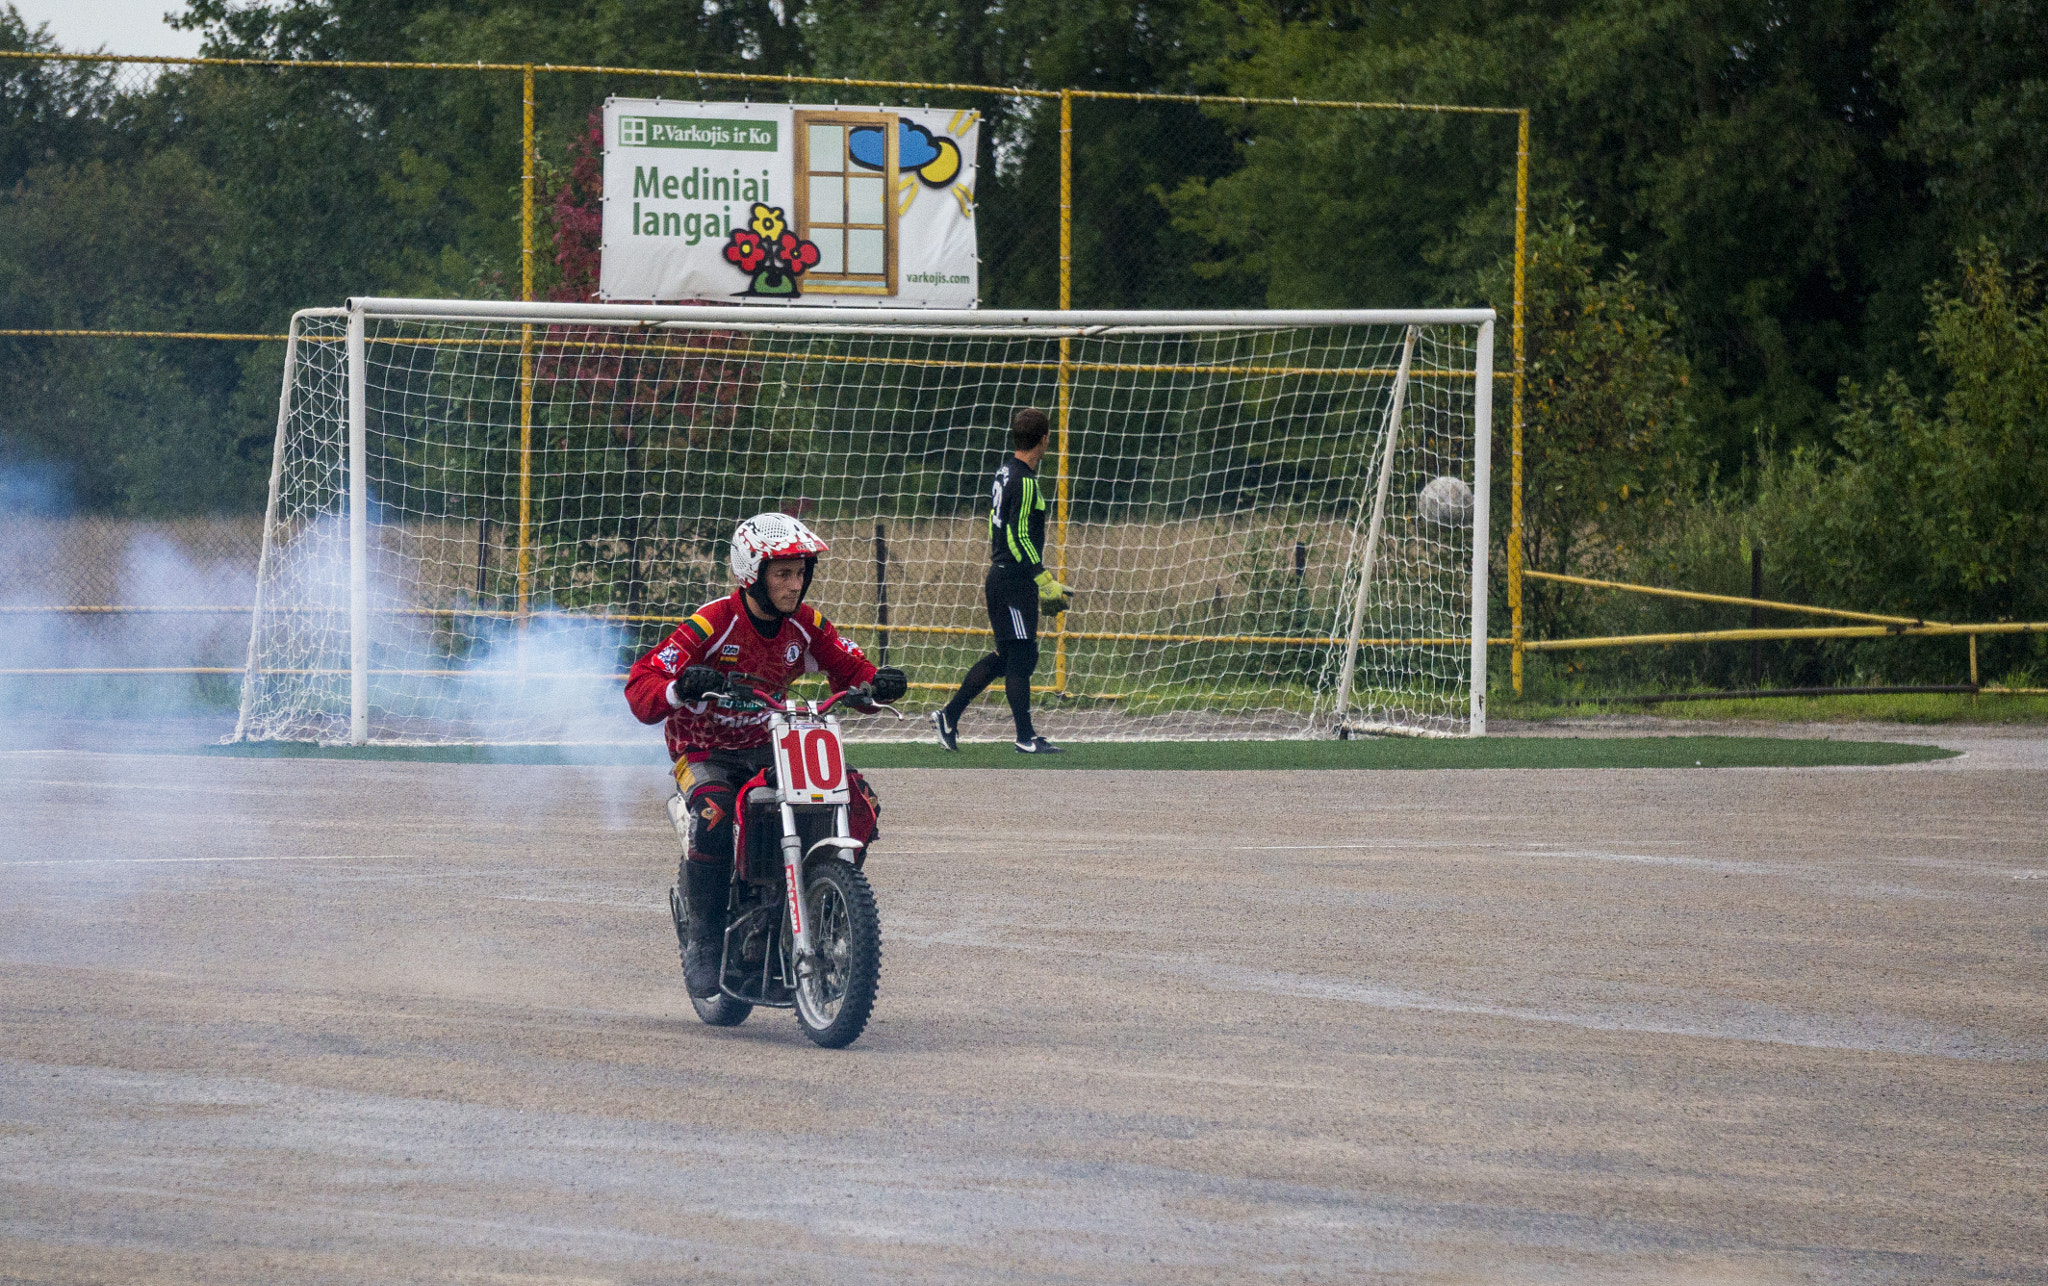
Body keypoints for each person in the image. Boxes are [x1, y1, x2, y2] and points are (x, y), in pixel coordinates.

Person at [625, 512, 908, 998]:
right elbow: (641, 685)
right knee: (714, 814)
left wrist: (876, 683)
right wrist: (679, 687)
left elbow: (851, 671)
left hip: (771, 741)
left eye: (801, 573)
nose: (794, 584)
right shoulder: (711, 622)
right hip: (703, 749)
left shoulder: (808, 624)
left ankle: (822, 900)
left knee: (858, 798)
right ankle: (705, 941)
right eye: (783, 573)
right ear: (751, 573)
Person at [932, 408, 1071, 754]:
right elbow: (1016, 535)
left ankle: (949, 716)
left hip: (1005, 577)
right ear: (1045, 439)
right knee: (1022, 657)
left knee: (1007, 656)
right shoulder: (1024, 480)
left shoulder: (1006, 471)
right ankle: (1025, 738)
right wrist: (1041, 575)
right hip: (1012, 580)